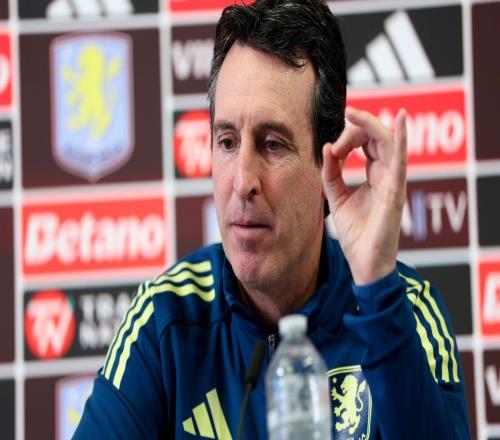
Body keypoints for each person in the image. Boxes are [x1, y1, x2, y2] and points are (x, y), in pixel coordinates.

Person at [74, 0, 471, 438]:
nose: (243, 180)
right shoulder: (165, 318)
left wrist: (377, 288)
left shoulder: (404, 312)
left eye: (272, 145)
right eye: (227, 142)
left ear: (327, 164)